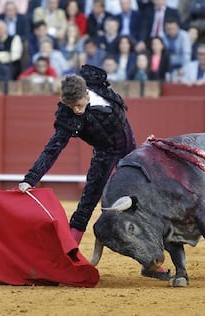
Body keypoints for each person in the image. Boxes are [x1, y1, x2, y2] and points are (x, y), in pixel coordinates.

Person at [18, 64, 135, 247]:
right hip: (105, 153)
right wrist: (31, 179)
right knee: (87, 203)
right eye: (71, 107)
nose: (77, 111)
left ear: (87, 94)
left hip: (130, 147)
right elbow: (53, 149)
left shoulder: (94, 84)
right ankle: (69, 251)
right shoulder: (68, 115)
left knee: (144, 194)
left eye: (79, 105)